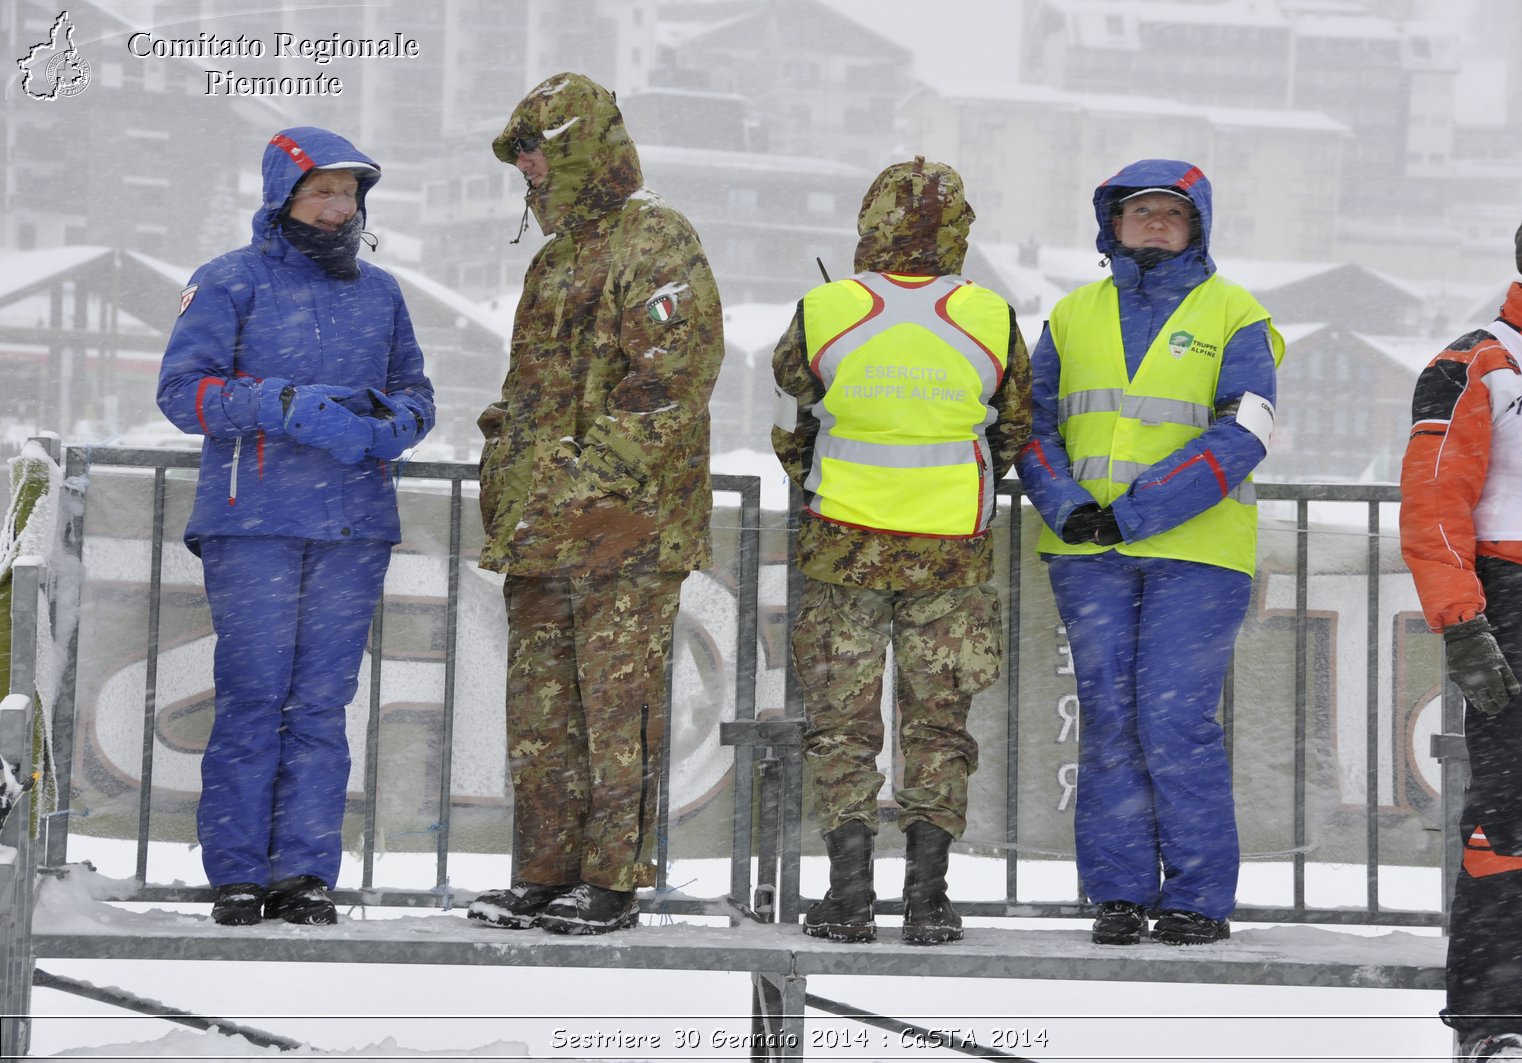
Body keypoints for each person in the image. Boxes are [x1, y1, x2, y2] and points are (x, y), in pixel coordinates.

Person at [156, 127, 435, 927]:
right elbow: (183, 393)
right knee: (252, 698)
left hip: (353, 526)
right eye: (323, 191)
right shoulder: (227, 282)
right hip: (255, 526)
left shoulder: (380, 293)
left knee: (320, 704)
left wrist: (390, 424)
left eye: (349, 193)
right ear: (284, 195)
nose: (338, 206)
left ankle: (305, 871)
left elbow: (417, 392)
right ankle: (238, 871)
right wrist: (274, 402)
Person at [468, 73, 723, 936]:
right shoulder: (552, 262)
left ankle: (612, 879)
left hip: (625, 531)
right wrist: (505, 465)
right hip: (541, 530)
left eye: (536, 150)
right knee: (541, 714)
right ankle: (544, 869)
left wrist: (576, 482)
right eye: (519, 157)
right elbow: (532, 395)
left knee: (618, 710)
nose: (527, 170)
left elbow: (669, 385)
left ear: (581, 145)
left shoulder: (659, 241)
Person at [1017, 159, 1283, 947]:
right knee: (1109, 719)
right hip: (1088, 550)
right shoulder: (1069, 315)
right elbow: (1032, 427)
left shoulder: (1238, 314)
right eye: (1141, 213)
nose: (1157, 224)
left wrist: (1134, 511)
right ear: (1113, 225)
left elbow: (1246, 431)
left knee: (1176, 721)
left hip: (1198, 552)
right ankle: (1119, 893)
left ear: (1198, 223)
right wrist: (1067, 505)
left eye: (1173, 212)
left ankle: (1199, 896)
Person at [771, 157, 1031, 945]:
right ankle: (929, 899)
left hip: (841, 551)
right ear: (959, 229)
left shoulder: (825, 309)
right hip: (951, 555)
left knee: (842, 724)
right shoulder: (989, 315)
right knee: (939, 724)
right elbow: (1014, 425)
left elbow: (793, 407)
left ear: (868, 222)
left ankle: (848, 895)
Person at [1399, 173, 1522, 1063]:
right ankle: (1490, 1024)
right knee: (1507, 827)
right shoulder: (1472, 360)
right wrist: (1461, 624)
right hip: (1515, 604)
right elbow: (1434, 506)